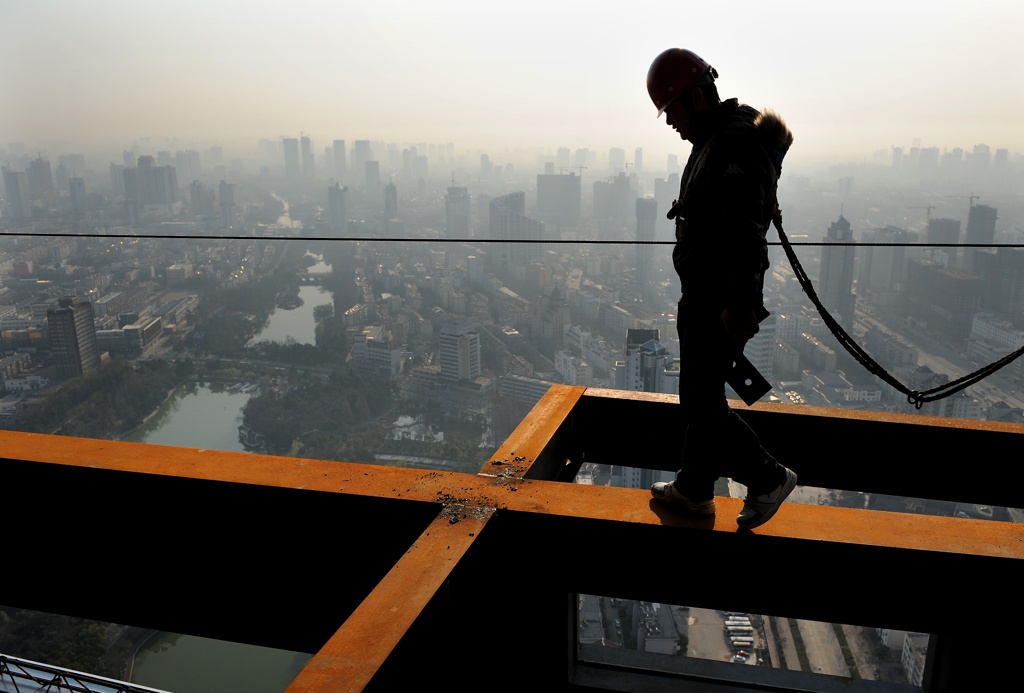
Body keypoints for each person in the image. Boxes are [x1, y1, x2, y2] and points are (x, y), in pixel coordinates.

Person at [646, 47, 797, 530]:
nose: (670, 122)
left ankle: (767, 476)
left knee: (700, 400)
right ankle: (694, 488)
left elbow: (744, 232)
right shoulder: (718, 138)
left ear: (696, 96)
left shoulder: (732, 144)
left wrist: (738, 306)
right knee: (702, 394)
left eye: (672, 110)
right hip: (709, 293)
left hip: (719, 298)